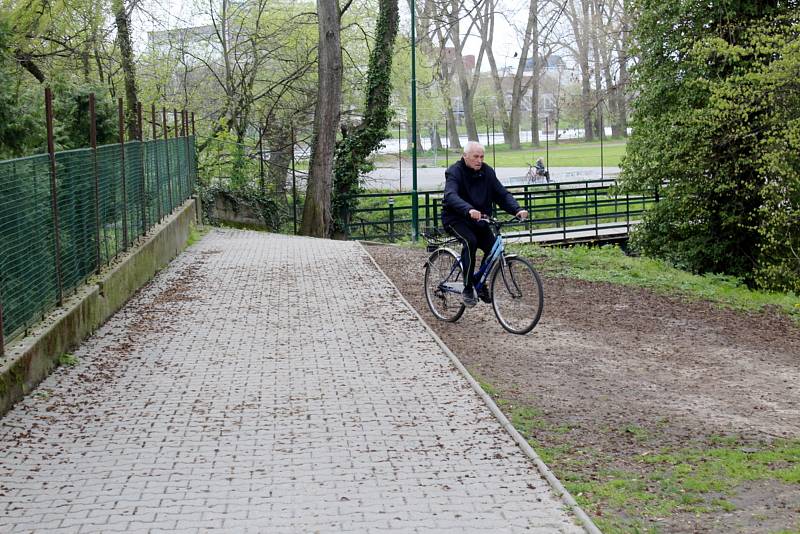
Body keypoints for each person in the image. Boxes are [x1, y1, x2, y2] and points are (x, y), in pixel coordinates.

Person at [442, 141, 529, 307]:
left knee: (492, 249)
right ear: (465, 156)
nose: (479, 160)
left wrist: (517, 209)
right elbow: (450, 195)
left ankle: (479, 282)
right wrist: (468, 209)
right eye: (476, 156)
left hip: (479, 220)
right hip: (456, 218)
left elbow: (502, 195)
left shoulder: (487, 172)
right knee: (470, 242)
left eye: (482, 157)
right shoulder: (455, 172)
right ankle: (468, 287)